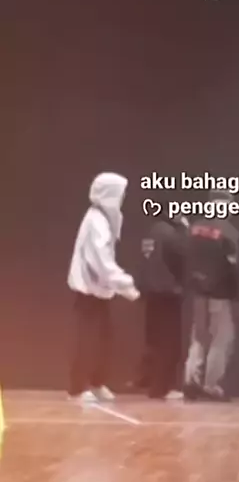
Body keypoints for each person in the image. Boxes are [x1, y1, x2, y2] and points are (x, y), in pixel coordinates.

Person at [67, 172, 140, 404]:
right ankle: (77, 389)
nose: (123, 198)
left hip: (99, 291)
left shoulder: (104, 219)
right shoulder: (97, 221)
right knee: (87, 340)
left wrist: (117, 284)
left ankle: (96, 383)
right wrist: (124, 283)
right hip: (88, 291)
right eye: (120, 193)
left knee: (103, 339)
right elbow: (100, 261)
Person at [183, 190, 239, 402]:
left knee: (199, 336)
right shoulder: (229, 232)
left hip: (197, 293)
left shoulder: (194, 228)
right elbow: (238, 267)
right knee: (222, 338)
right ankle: (210, 384)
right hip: (219, 293)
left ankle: (190, 380)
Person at [134, 212, 190, 399]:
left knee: (154, 340)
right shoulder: (172, 234)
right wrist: (185, 230)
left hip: (151, 292)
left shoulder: (151, 232)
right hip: (167, 293)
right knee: (169, 342)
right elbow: (185, 254)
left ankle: (151, 382)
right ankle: (163, 387)